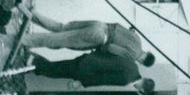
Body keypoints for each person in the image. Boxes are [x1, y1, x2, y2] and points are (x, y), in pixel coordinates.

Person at [18, 6, 156, 66]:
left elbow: (119, 25)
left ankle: (29, 12)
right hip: (99, 37)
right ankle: (22, 40)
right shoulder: (132, 55)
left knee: (62, 28)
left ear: (147, 53)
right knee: (58, 41)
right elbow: (111, 48)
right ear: (142, 61)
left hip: (101, 25)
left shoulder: (138, 39)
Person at [31, 50, 156, 93]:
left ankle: (32, 61)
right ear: (142, 89)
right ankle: (31, 61)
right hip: (85, 71)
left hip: (88, 59)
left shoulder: (133, 64)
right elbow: (101, 79)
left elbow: (111, 53)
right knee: (54, 71)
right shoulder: (126, 80)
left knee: (56, 67)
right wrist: (82, 83)